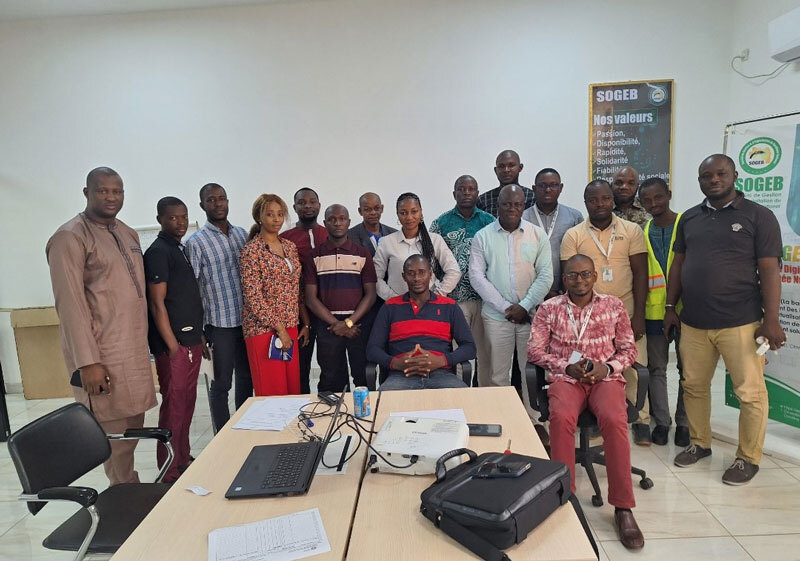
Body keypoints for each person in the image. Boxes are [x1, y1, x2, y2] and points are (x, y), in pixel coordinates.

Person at [666, 154, 784, 485]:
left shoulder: (759, 216)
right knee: (693, 386)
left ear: (735, 175)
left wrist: (771, 320)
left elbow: (769, 270)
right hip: (694, 322)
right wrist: (670, 308)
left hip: (741, 322)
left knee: (750, 393)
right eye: (707, 175)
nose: (714, 179)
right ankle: (700, 443)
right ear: (699, 181)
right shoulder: (689, 218)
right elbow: (678, 264)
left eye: (721, 173)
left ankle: (748, 457)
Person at [46, 167, 157, 486]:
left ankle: (128, 488)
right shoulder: (70, 237)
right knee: (113, 437)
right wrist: (88, 363)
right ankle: (122, 496)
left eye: (117, 191)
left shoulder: (127, 233)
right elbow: (70, 305)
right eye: (103, 190)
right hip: (102, 357)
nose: (111, 197)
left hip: (133, 353)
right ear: (87, 193)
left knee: (132, 430)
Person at [528, 255, 643, 550]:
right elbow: (534, 351)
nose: (579, 280)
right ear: (564, 279)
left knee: (615, 419)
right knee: (561, 417)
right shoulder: (549, 308)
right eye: (572, 275)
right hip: (567, 379)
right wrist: (566, 367)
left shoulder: (613, 306)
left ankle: (623, 507)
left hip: (605, 379)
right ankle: (563, 500)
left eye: (585, 274)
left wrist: (608, 368)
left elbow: (629, 350)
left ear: (594, 276)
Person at [561, 180, 651, 445]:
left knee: (634, 365)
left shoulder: (632, 230)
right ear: (585, 202)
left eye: (604, 199)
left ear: (612, 200)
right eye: (593, 200)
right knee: (591, 363)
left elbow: (641, 273)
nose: (599, 204)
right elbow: (569, 277)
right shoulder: (574, 235)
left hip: (626, 307)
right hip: (588, 313)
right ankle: (599, 417)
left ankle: (641, 420)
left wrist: (639, 316)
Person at [470, 184, 552, 434]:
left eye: (517, 204)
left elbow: (546, 275)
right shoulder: (482, 236)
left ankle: (535, 422)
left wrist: (524, 306)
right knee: (498, 374)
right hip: (496, 317)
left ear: (523, 206)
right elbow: (477, 277)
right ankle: (502, 421)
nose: (512, 209)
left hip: (531, 317)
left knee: (531, 372)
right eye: (506, 204)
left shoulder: (537, 235)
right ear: (498, 206)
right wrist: (506, 307)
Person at [144, 196, 207, 482]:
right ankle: (168, 470)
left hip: (190, 341)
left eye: (183, 217)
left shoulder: (178, 249)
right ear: (160, 220)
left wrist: (198, 335)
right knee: (173, 408)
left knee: (187, 403)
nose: (180, 222)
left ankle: (182, 458)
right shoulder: (158, 252)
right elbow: (157, 303)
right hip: (175, 347)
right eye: (172, 218)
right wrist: (172, 346)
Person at [184, 183, 252, 432]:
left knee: (246, 378)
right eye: (211, 200)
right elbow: (191, 289)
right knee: (222, 383)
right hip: (219, 324)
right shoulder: (196, 242)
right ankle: (222, 434)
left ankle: (244, 428)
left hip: (247, 321)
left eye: (221, 198)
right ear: (202, 205)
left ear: (228, 201)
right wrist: (198, 331)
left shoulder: (242, 234)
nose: (218, 203)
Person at [366, 255, 476, 390]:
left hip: (441, 374)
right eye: (411, 273)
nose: (416, 278)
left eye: (422, 272)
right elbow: (372, 349)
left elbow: (470, 347)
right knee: (384, 402)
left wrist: (442, 360)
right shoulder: (390, 307)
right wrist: (395, 363)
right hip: (401, 375)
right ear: (404, 277)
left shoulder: (449, 306)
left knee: (464, 401)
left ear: (430, 274)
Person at [241, 194, 311, 396]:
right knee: (273, 392)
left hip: (290, 325)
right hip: (263, 329)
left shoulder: (289, 246)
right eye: (270, 214)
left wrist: (305, 323)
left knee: (292, 389)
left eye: (280, 214)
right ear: (259, 217)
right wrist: (279, 328)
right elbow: (253, 297)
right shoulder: (252, 251)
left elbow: (296, 288)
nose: (276, 219)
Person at [304, 204, 377, 391]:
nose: (337, 223)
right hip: (328, 328)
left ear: (349, 222)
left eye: (342, 219)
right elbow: (311, 299)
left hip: (358, 327)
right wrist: (336, 324)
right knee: (332, 380)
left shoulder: (362, 254)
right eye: (332, 219)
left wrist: (349, 323)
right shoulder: (314, 256)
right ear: (325, 223)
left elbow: (370, 295)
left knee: (363, 378)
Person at [638, 177, 689, 447]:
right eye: (646, 200)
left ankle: (684, 423)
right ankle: (662, 421)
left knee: (687, 369)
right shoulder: (642, 231)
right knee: (656, 368)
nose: (653, 204)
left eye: (658, 197)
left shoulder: (687, 224)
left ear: (668, 194)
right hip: (654, 312)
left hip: (686, 311)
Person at [430, 175, 495, 378]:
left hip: (485, 299)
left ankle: (485, 393)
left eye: (471, 189)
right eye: (461, 189)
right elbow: (431, 261)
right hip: (454, 300)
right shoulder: (441, 223)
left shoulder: (489, 222)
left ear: (477, 193)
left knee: (486, 354)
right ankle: (460, 391)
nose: (466, 192)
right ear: (454, 193)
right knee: (458, 353)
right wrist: (439, 292)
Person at [280, 188, 328, 394]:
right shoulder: (284, 239)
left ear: (319, 205)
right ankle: (302, 403)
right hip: (298, 312)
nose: (307, 206)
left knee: (330, 362)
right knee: (301, 365)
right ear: (294, 207)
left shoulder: (329, 233)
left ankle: (328, 401)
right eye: (302, 202)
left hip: (327, 309)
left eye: (312, 202)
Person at [374, 192, 461, 300]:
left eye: (414, 211)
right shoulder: (386, 242)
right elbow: (375, 278)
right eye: (403, 213)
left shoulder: (435, 240)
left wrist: (437, 296)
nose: (409, 217)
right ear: (397, 215)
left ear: (421, 212)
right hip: (399, 306)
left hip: (429, 305)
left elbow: (454, 271)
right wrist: (394, 299)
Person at [522, 168, 584, 298]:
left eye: (553, 185)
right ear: (534, 188)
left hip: (565, 290)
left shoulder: (574, 217)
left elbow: (580, 256)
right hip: (529, 291)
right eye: (542, 185)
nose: (548, 190)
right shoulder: (523, 218)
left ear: (561, 188)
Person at [476, 150, 535, 217]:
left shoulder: (532, 197)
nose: (506, 170)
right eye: (501, 166)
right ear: (495, 170)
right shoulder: (483, 200)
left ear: (520, 168)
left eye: (511, 165)